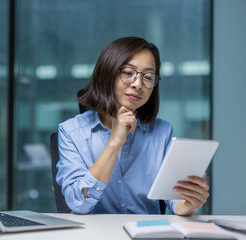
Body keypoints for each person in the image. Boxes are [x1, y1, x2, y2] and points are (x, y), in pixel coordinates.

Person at [56, 37, 210, 215]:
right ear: (107, 74)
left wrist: (189, 203)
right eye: (128, 73)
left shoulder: (162, 132)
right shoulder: (71, 132)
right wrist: (114, 142)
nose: (138, 84)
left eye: (148, 77)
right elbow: (78, 203)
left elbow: (173, 198)